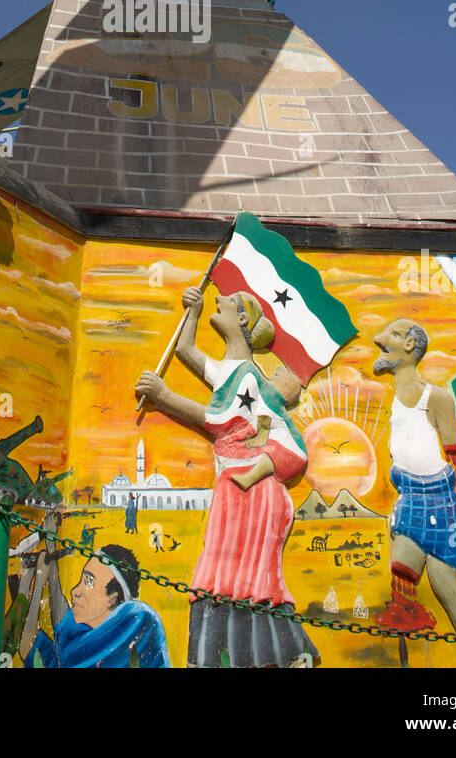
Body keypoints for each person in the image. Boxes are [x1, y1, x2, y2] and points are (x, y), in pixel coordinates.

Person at [136, 285, 318, 669]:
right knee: (225, 573)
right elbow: (185, 351)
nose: (220, 299)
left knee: (243, 575)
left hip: (250, 488)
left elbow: (215, 421)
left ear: (240, 320)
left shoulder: (248, 377)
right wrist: (195, 310)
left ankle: (273, 654)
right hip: (234, 489)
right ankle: (259, 655)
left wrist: (164, 395)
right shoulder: (230, 370)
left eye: (228, 301)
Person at [372, 318, 456, 668]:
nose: (380, 341)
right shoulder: (395, 396)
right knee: (400, 587)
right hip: (408, 500)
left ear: (410, 345)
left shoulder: (435, 397)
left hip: (439, 499)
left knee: (445, 586)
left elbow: (454, 453)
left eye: (392, 335)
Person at [20, 542, 169, 668]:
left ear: (112, 599)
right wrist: (43, 573)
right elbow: (31, 648)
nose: (75, 591)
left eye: (89, 582)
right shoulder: (79, 641)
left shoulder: (140, 622)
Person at [231, 366, 303, 492]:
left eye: (275, 377)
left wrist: (247, 443)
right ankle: (249, 477)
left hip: (294, 455)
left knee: (272, 451)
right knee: (269, 449)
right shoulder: (272, 404)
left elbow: (262, 434)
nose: (269, 378)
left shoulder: (269, 404)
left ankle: (248, 478)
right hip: (295, 456)